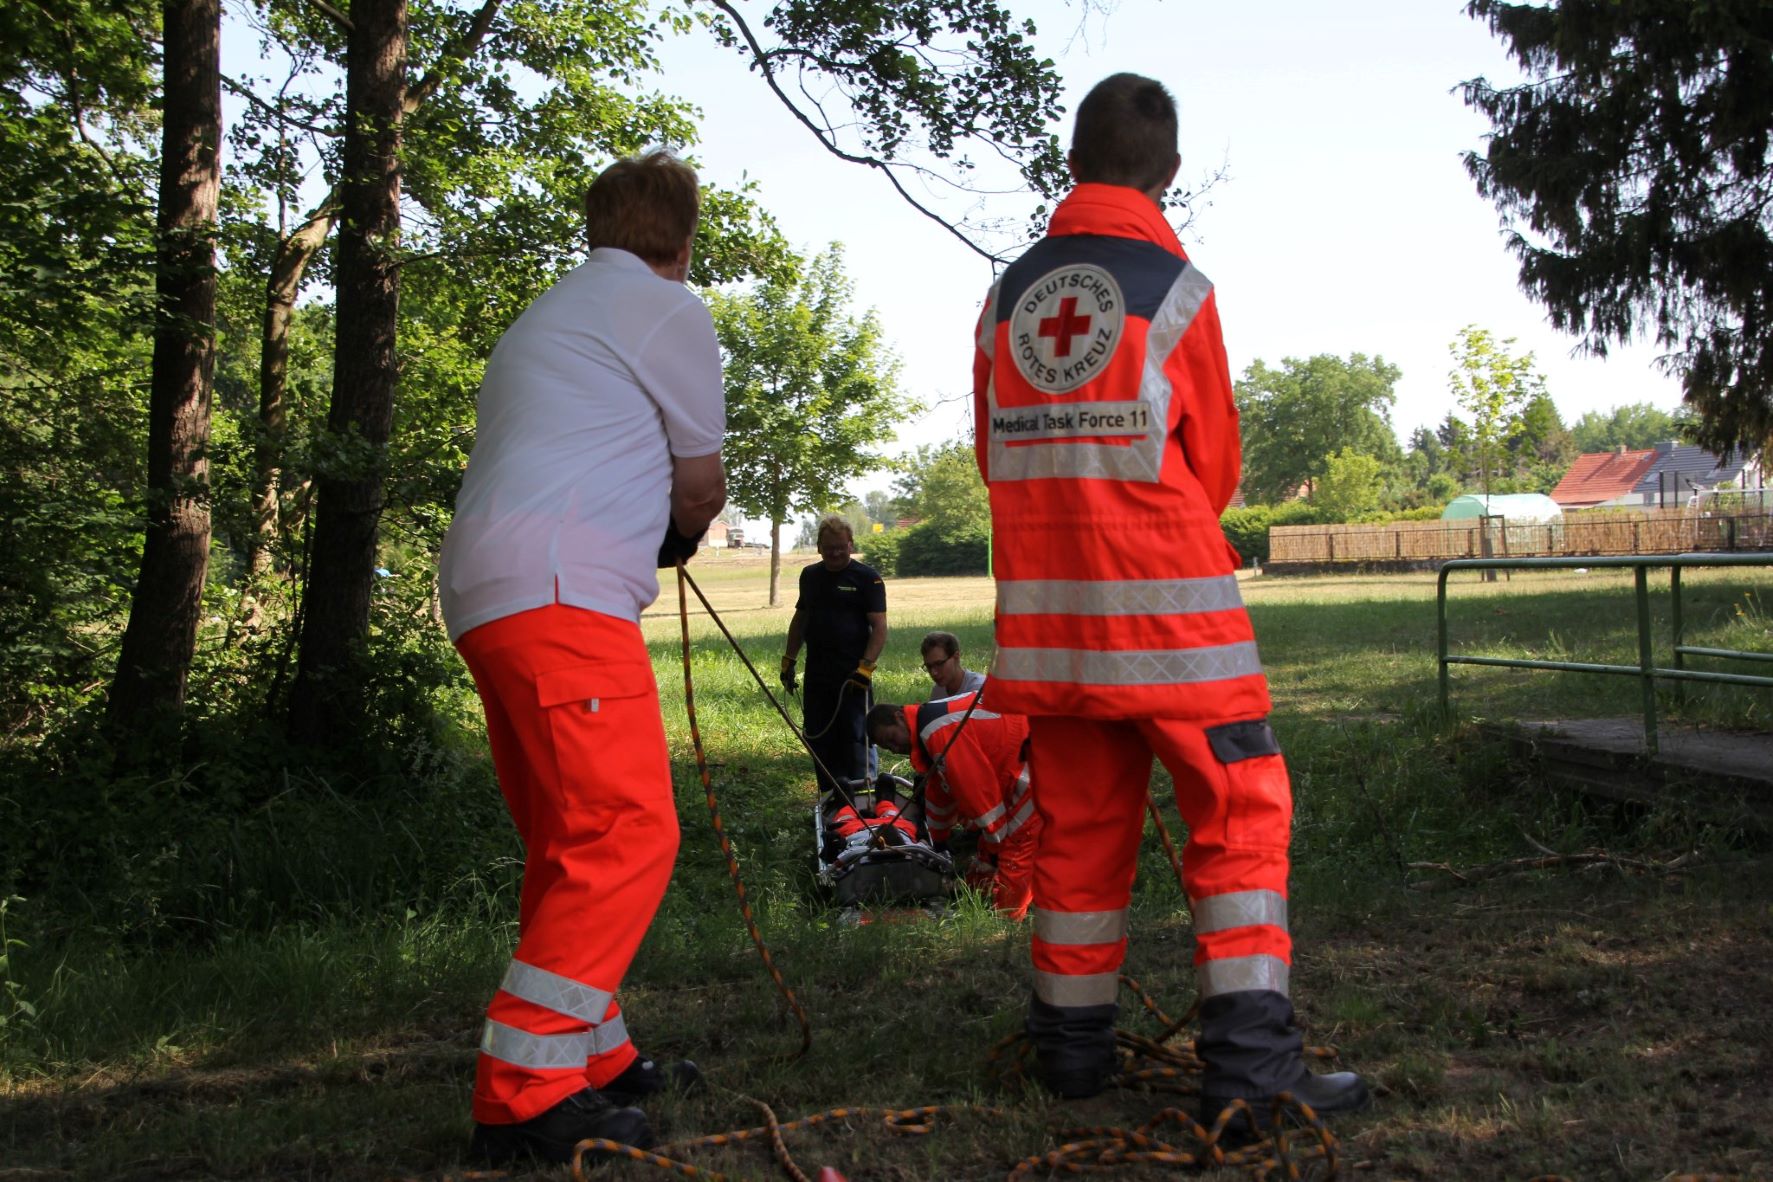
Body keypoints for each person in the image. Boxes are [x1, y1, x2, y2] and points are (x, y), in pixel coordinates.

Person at [969, 74, 1369, 1129]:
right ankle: (1251, 1070)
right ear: (1171, 175)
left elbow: (991, 460)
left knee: (1077, 833)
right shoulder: (1179, 290)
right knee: (1240, 824)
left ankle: (1071, 1051)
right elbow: (1219, 467)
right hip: (1178, 628)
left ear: (1070, 161)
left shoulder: (1006, 299)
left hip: (1053, 641)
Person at [438, 150, 722, 1165]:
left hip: (488, 592)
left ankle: (595, 1055)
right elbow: (699, 488)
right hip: (562, 593)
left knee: (569, 841)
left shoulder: (546, 317)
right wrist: (677, 539)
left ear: (596, 229)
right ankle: (521, 1092)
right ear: (683, 241)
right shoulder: (666, 310)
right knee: (625, 835)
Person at [867, 695, 1041, 919]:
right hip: (1020, 756)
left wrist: (996, 845)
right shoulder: (928, 728)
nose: (894, 748)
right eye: (887, 747)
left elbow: (979, 793)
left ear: (899, 717)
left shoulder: (936, 732)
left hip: (1034, 763)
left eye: (891, 738)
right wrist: (938, 842)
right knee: (991, 849)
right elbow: (940, 794)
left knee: (1016, 849)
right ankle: (983, 893)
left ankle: (1007, 918)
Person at [779, 516, 887, 800]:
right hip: (818, 674)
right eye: (829, 548)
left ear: (850, 545)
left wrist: (866, 668)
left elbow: (879, 627)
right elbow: (801, 619)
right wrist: (789, 658)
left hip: (854, 676)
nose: (835, 553)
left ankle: (865, 801)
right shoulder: (810, 576)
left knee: (857, 737)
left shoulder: (868, 578)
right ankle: (832, 800)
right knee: (818, 736)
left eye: (841, 547)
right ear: (819, 547)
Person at [920, 630, 987, 701]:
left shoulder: (978, 689)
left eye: (939, 664)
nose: (934, 672)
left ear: (956, 657)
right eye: (929, 666)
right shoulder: (938, 692)